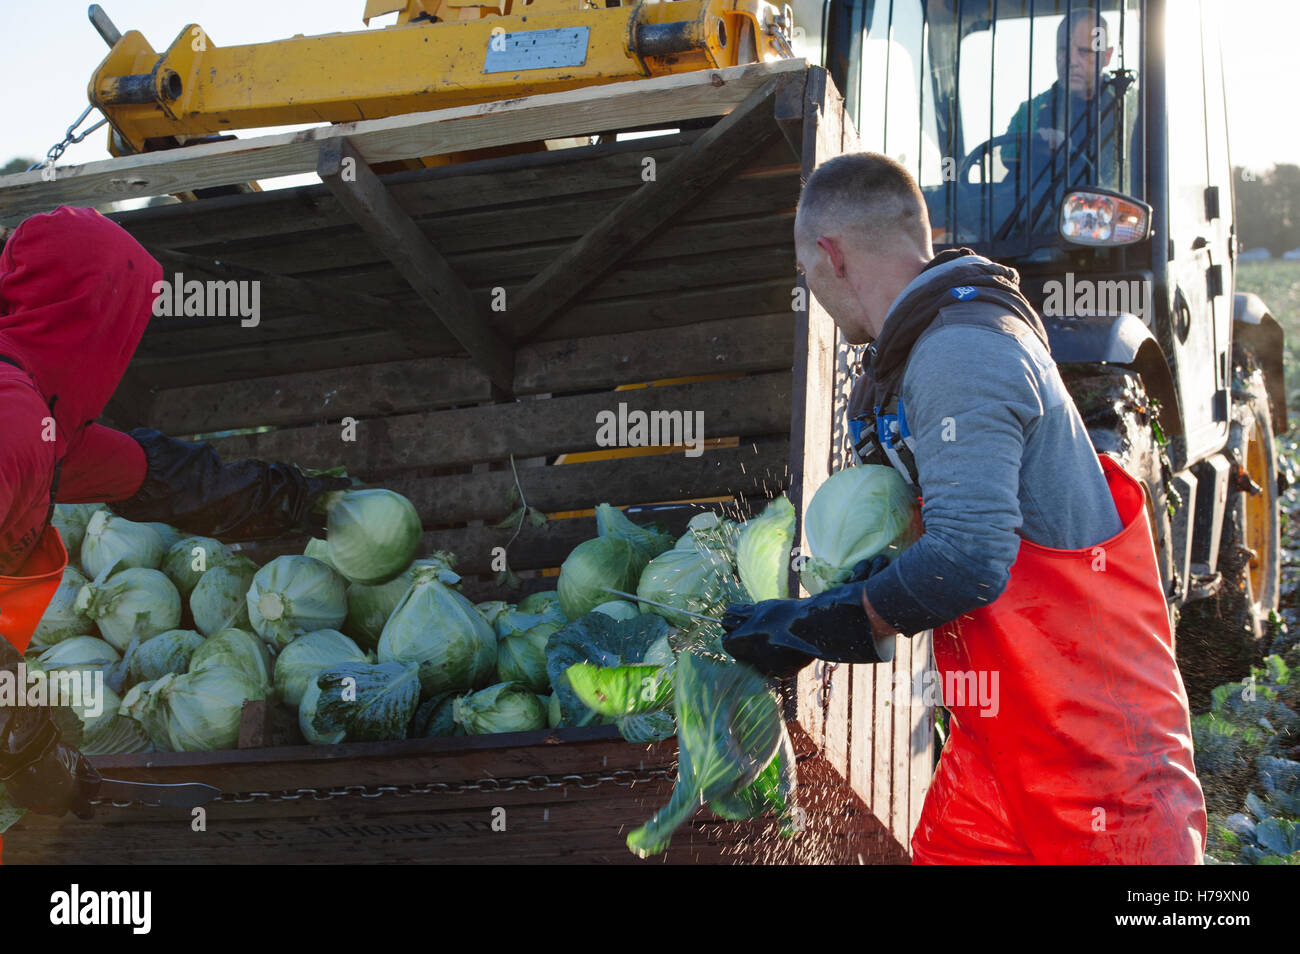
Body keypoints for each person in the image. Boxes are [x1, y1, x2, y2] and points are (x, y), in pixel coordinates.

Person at [720, 153, 1207, 864]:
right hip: (996, 755)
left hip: (1101, 766)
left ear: (832, 254)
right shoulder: (930, 352)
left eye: (807, 274)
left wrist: (813, 628)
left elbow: (969, 559)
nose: (813, 291)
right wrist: (848, 588)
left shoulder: (959, 355)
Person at [0, 206, 349, 847]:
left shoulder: (45, 419)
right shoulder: (13, 419)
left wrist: (295, 500)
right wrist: (25, 751)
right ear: (89, 320)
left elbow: (166, 479)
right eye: (123, 324)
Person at [1001, 9, 1140, 202]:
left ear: (1106, 57)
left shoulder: (1133, 109)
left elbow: (1131, 185)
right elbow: (1013, 175)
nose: (1071, 61)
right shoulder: (1029, 113)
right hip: (1038, 223)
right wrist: (1039, 151)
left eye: (1084, 51)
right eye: (1063, 50)